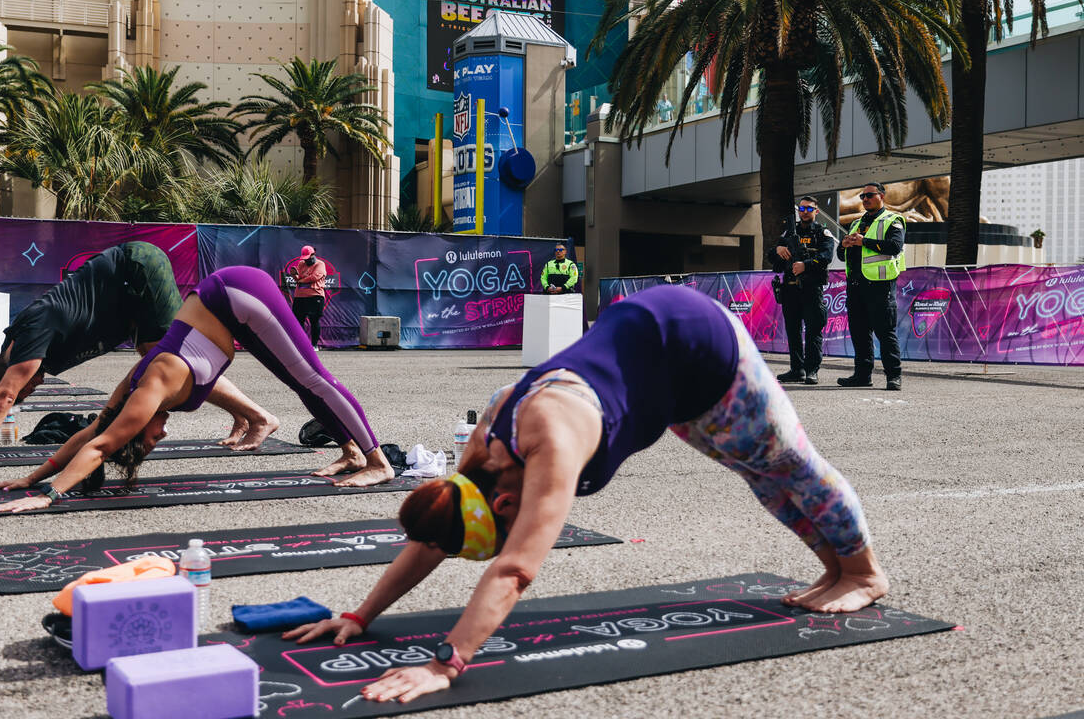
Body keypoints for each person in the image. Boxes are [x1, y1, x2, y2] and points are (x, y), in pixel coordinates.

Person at [285, 285, 889, 705]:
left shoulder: (549, 438)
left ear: (502, 506)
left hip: (696, 342)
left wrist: (447, 663)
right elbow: (430, 536)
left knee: (787, 464)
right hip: (658, 372)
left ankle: (862, 573)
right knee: (758, 475)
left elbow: (516, 569)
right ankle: (832, 569)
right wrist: (361, 615)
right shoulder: (477, 461)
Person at [0, 265, 392, 512]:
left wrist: (47, 497)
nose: (159, 437)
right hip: (227, 310)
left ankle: (377, 461)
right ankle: (351, 451)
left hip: (237, 295)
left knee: (313, 378)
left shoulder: (147, 393)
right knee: (299, 383)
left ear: (137, 426)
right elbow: (91, 433)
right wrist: (30, 478)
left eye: (148, 442)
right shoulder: (128, 392)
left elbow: (101, 447)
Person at [0, 242, 277, 468]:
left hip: (136, 270)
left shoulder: (29, 342)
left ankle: (258, 417)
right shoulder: (16, 356)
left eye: (27, 389)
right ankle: (244, 416)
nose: (28, 392)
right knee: (161, 361)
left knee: (169, 362)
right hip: (125, 300)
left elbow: (4, 395)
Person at [836, 183, 906, 391]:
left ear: (882, 196)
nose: (865, 199)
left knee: (885, 333)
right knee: (859, 333)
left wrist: (863, 241)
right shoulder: (856, 223)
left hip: (879, 286)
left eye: (869, 195)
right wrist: (844, 245)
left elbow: (895, 246)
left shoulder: (893, 220)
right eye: (862, 196)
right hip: (856, 287)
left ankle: (893, 376)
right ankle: (862, 375)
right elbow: (842, 255)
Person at [767, 196, 835, 384]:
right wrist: (779, 250)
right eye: (802, 208)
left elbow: (827, 256)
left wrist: (806, 265)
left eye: (808, 209)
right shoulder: (789, 231)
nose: (804, 212)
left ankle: (811, 370)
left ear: (816, 211)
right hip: (790, 290)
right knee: (793, 331)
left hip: (811, 289)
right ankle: (797, 370)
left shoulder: (823, 232)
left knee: (813, 330)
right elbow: (771, 256)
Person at [291, 245, 327, 351]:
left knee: (314, 320)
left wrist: (300, 281)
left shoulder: (320, 264)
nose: (306, 260)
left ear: (313, 254)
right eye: (304, 258)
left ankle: (314, 345)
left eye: (308, 257)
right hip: (300, 296)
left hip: (315, 296)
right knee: (298, 321)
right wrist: (294, 276)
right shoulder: (301, 263)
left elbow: (315, 277)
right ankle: (301, 345)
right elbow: (298, 278)